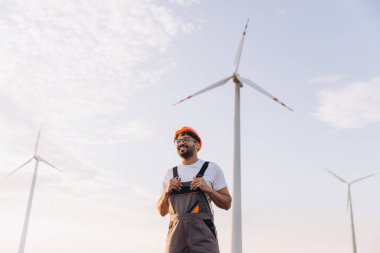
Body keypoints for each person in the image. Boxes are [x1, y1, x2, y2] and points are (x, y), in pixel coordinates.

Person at [156, 126, 232, 253]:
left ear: (197, 145)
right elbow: (161, 211)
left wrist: (208, 189)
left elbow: (227, 203)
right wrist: (167, 192)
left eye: (186, 139)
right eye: (178, 141)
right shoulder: (169, 174)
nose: (181, 143)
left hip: (203, 234)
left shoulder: (211, 168)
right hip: (176, 236)